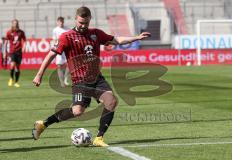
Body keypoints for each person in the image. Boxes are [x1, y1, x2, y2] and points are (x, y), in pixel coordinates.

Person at [32, 6, 151, 147]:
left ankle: (99, 138)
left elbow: (117, 40)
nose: (83, 26)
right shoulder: (66, 37)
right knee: (77, 112)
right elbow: (51, 55)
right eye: (80, 22)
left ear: (90, 20)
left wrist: (136, 37)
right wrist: (39, 75)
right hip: (80, 81)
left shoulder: (96, 34)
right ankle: (44, 124)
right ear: (76, 19)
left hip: (97, 79)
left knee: (111, 102)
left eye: (86, 23)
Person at [3, 19, 26, 87]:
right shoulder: (9, 32)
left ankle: (16, 82)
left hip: (19, 52)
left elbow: (24, 40)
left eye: (16, 23)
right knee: (12, 65)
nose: (15, 24)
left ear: (18, 24)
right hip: (12, 51)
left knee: (17, 68)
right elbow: (6, 42)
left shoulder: (21, 32)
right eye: (14, 23)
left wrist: (24, 47)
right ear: (12, 24)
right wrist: (5, 52)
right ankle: (11, 78)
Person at [52, 16, 70, 87]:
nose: (61, 23)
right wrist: (55, 47)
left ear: (63, 22)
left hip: (66, 49)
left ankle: (66, 78)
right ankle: (62, 82)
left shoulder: (67, 29)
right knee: (59, 65)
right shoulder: (55, 30)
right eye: (59, 21)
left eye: (62, 21)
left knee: (68, 64)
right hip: (59, 49)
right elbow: (54, 40)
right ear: (57, 22)